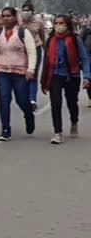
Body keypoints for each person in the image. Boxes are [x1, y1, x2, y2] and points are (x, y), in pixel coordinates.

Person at [0, 7, 37, 142]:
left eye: (9, 16)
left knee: (22, 100)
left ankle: (29, 115)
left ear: (15, 17)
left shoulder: (23, 33)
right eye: (3, 16)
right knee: (4, 100)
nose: (6, 18)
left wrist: (31, 69)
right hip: (2, 72)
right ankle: (6, 130)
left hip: (20, 73)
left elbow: (32, 52)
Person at [41, 15, 91, 145]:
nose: (59, 26)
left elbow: (84, 58)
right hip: (55, 75)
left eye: (61, 23)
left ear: (67, 25)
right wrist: (44, 78)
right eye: (56, 23)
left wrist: (86, 76)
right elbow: (46, 61)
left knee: (72, 103)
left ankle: (74, 121)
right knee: (55, 103)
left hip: (71, 75)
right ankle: (58, 132)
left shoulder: (75, 39)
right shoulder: (51, 40)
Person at [21, 0, 46, 111]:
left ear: (32, 11)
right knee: (23, 75)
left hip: (36, 49)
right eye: (24, 10)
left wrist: (47, 51)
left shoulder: (38, 21)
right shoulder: (18, 21)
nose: (25, 12)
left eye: (28, 10)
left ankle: (32, 100)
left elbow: (42, 37)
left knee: (33, 74)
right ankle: (24, 98)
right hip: (22, 50)